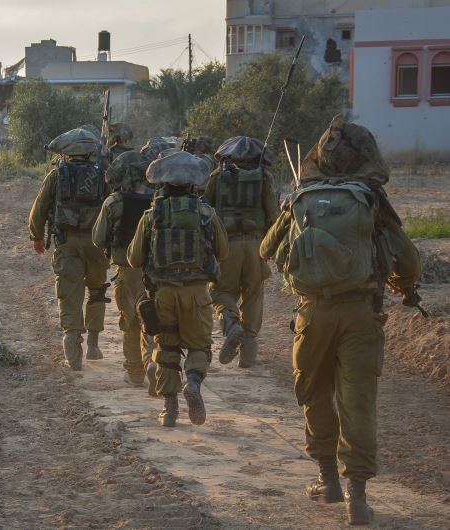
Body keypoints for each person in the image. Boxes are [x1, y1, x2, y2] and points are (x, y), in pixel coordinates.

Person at [260, 116, 422, 526]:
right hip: (361, 312)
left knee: (314, 394)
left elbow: (267, 249)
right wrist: (405, 286)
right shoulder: (370, 199)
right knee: (358, 402)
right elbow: (407, 260)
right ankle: (359, 496)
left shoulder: (302, 195)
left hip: (312, 313)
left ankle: (327, 480)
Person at [128, 151, 228, 427]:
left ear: (163, 184)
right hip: (197, 292)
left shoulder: (152, 216)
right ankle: (193, 382)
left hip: (163, 293)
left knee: (166, 349)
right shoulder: (206, 213)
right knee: (199, 346)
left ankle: (170, 409)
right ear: (194, 185)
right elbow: (223, 250)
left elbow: (134, 258)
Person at [28, 128, 110, 370]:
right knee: (97, 290)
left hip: (67, 242)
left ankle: (72, 341)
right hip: (97, 243)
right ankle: (94, 344)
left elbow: (39, 209)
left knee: (69, 291)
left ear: (66, 153)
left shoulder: (56, 176)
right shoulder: (103, 175)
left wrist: (37, 237)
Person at [91, 139, 169, 392]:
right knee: (152, 320)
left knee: (130, 324)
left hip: (127, 272)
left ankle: (135, 372)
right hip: (156, 272)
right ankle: (152, 361)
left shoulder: (114, 202)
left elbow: (97, 238)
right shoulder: (160, 202)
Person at [204, 136, 280, 367]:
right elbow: (274, 215)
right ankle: (248, 357)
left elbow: (206, 209)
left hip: (226, 244)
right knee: (253, 294)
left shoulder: (216, 178)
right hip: (256, 244)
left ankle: (231, 324)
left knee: (220, 292)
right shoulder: (264, 178)